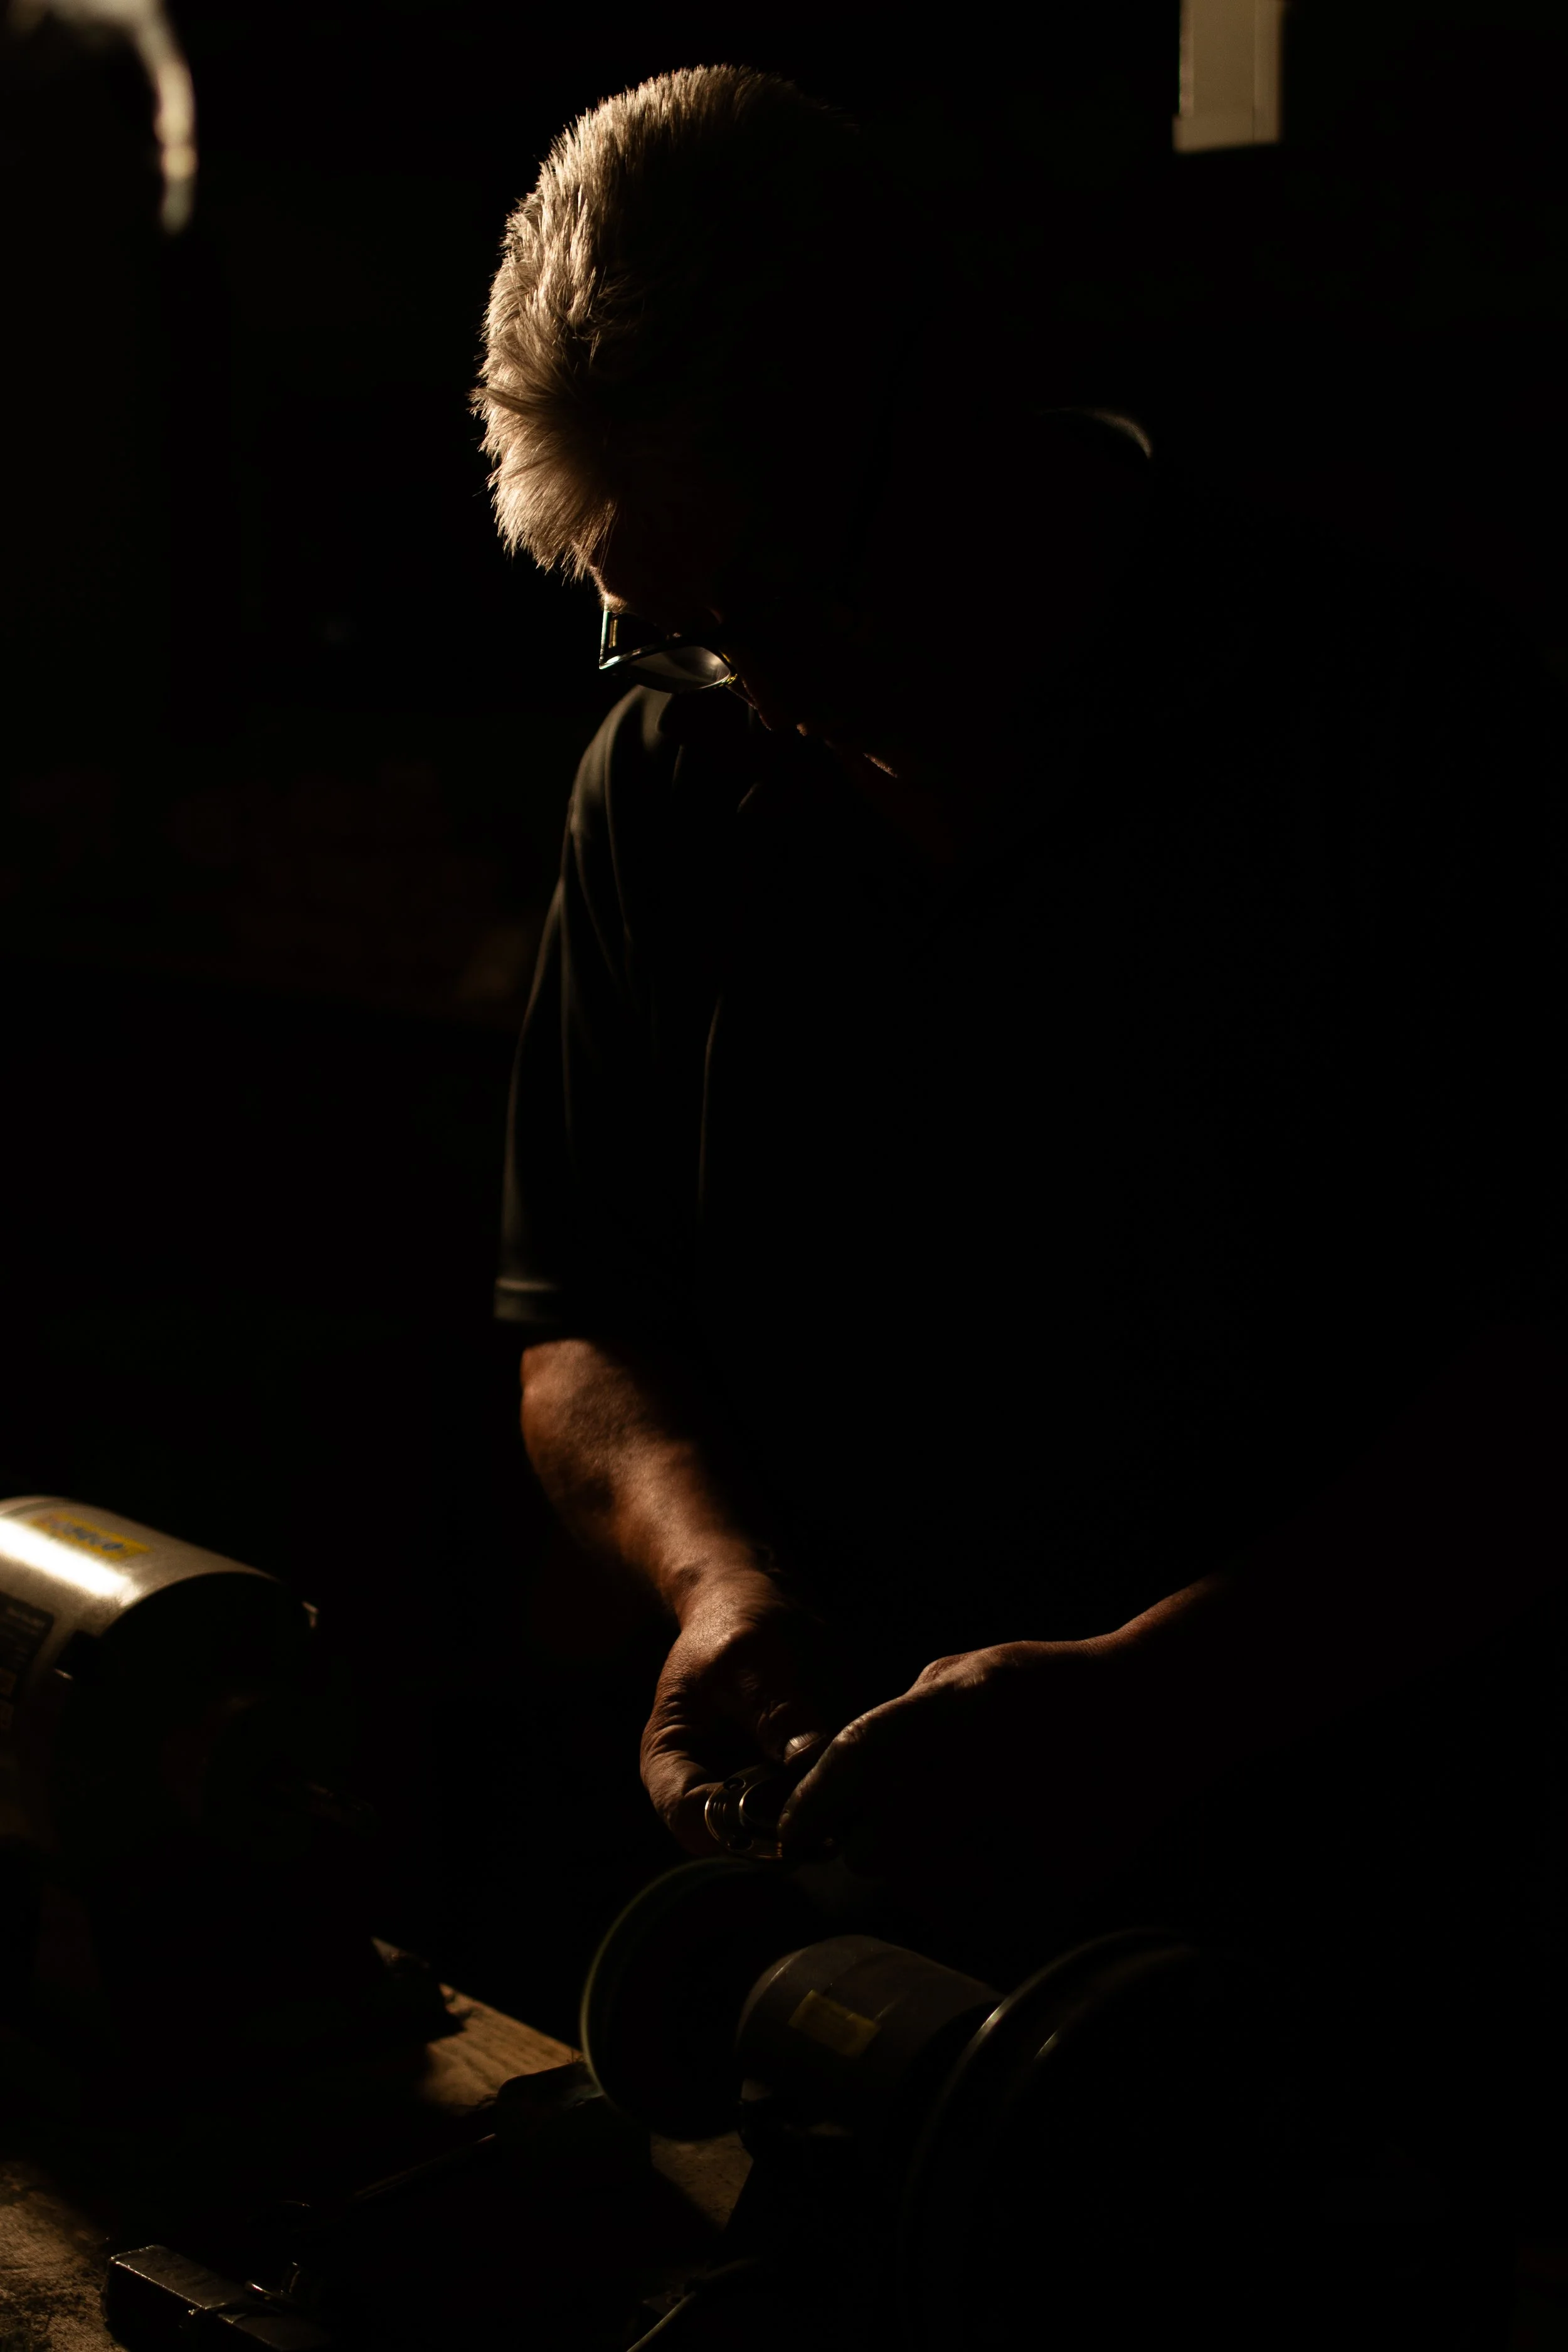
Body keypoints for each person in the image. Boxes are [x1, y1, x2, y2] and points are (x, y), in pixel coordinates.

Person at [475, 61, 1566, 2233]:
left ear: (964, 409)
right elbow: (581, 1320)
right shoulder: (677, 769)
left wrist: (1162, 1701)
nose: (756, 688)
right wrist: (716, 1588)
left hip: (1367, 1932)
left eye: (789, 592)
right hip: (875, 1909)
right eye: (668, 617)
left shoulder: (1406, 732)